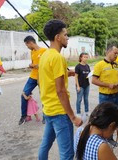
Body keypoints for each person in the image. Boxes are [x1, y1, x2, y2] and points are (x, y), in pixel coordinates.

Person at [38, 19, 82, 160]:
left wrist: (67, 73)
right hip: (60, 112)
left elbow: (44, 79)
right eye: (65, 34)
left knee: (45, 145)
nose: (67, 38)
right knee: (67, 154)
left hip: (48, 110)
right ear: (58, 37)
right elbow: (60, 91)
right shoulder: (57, 58)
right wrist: (72, 116)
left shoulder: (45, 55)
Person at [18, 36, 46, 125]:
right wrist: (31, 65)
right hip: (33, 77)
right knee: (24, 94)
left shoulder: (44, 51)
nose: (27, 47)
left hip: (42, 77)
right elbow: (34, 64)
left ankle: (46, 117)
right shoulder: (32, 52)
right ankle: (24, 115)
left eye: (27, 45)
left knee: (44, 97)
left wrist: (35, 65)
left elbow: (45, 65)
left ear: (30, 43)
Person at [92, 45, 118, 112]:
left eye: (117, 54)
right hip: (105, 96)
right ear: (109, 52)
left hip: (117, 94)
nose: (116, 55)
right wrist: (108, 85)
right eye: (115, 53)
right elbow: (94, 81)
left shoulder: (116, 65)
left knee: (115, 115)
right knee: (105, 117)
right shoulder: (99, 65)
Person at [75, 52, 91, 117]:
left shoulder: (87, 66)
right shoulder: (78, 66)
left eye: (87, 57)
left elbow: (89, 73)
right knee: (79, 99)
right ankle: (78, 112)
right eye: (84, 57)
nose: (86, 58)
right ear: (81, 58)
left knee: (86, 99)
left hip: (87, 85)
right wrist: (78, 86)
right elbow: (76, 77)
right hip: (80, 86)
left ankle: (86, 111)